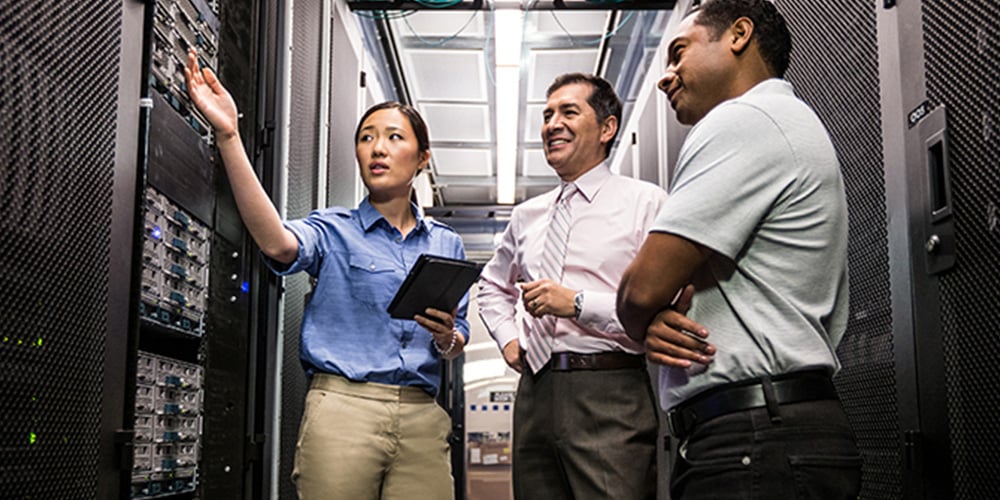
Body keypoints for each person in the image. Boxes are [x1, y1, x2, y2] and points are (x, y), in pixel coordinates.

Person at [184, 49, 468, 500]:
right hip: (342, 410)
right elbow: (276, 242)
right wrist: (229, 137)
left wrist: (446, 338)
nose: (377, 148)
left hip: (421, 416)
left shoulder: (445, 244)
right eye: (367, 138)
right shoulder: (332, 230)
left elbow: (456, 342)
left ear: (422, 158)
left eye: (394, 137)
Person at [616, 1, 862, 499]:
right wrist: (650, 317)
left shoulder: (745, 119)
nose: (666, 77)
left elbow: (642, 289)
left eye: (678, 53)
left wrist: (641, 317)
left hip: (755, 437)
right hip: (769, 434)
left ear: (739, 35)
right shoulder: (782, 120)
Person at [477, 73, 670, 499]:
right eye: (547, 115)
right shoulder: (527, 215)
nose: (551, 124)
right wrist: (510, 342)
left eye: (568, 111)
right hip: (535, 391)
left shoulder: (645, 202)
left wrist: (579, 304)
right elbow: (491, 287)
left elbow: (664, 301)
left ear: (607, 128)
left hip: (610, 390)